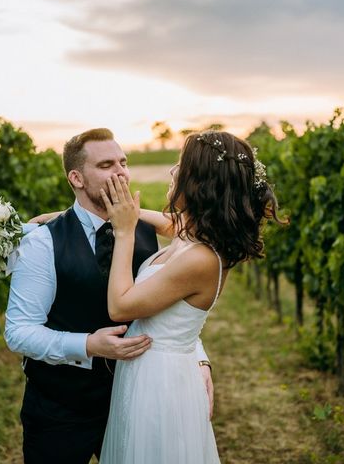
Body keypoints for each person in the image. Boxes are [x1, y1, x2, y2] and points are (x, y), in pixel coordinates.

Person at [3, 128, 213, 464]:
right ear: (77, 178)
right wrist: (87, 345)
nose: (120, 172)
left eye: (123, 162)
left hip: (135, 402)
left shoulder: (145, 232)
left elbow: (167, 307)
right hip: (61, 410)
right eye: (105, 165)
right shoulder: (42, 242)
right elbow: (18, 332)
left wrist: (199, 358)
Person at [97, 131, 283, 463]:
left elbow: (120, 306)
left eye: (179, 166)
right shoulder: (191, 232)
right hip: (146, 370)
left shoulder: (202, 260)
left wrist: (124, 232)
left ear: (200, 183)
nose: (171, 172)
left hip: (161, 382)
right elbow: (166, 223)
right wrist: (61, 221)